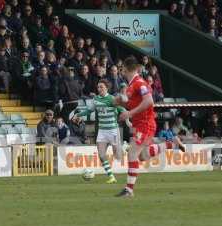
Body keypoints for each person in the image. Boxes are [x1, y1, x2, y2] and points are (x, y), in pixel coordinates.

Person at [114, 56, 185, 197]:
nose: (121, 71)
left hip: (145, 124)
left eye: (122, 68)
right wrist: (113, 101)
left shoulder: (139, 83)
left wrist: (129, 113)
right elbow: (128, 102)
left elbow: (149, 101)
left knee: (132, 153)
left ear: (126, 69)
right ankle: (171, 144)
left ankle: (129, 190)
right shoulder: (132, 84)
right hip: (139, 124)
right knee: (142, 156)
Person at [76, 79, 125, 183]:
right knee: (102, 155)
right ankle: (111, 177)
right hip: (102, 131)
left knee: (118, 156)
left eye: (101, 87)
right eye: (98, 87)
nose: (99, 89)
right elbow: (90, 110)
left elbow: (122, 110)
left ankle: (124, 147)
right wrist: (79, 115)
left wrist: (128, 120)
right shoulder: (96, 99)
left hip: (113, 130)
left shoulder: (112, 99)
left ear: (107, 88)